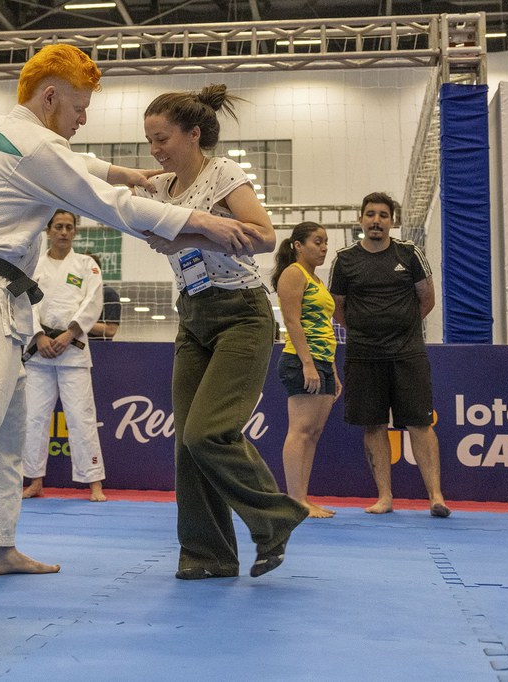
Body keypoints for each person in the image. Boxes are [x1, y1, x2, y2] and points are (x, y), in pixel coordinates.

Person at [0, 45, 265, 600]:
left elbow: (73, 167)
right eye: (80, 107)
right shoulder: (36, 145)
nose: (84, 119)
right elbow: (113, 205)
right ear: (52, 96)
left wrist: (120, 170)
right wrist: (201, 220)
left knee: (7, 428)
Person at [137, 84, 308, 580]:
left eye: (162, 138)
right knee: (185, 447)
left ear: (193, 134)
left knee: (208, 432)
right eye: (149, 140)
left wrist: (191, 232)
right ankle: (207, 556)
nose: (155, 149)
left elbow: (265, 236)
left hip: (242, 315)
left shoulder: (224, 173)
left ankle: (276, 518)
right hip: (192, 319)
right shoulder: (157, 187)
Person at [328, 192, 450, 517]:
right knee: (374, 426)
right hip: (363, 357)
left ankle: (436, 496)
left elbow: (427, 299)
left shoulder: (410, 254)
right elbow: (336, 308)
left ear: (392, 222)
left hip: (407, 355)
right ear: (361, 220)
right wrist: (366, 331)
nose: (376, 221)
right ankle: (385, 497)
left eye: (383, 215)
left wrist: (401, 329)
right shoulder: (344, 259)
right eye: (370, 214)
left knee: (420, 425)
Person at [21, 209, 107, 502]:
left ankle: (94, 481)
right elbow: (25, 303)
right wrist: (38, 335)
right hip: (39, 351)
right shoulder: (33, 266)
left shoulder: (87, 265)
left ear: (75, 232)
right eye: (58, 226)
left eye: (69, 227)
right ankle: (34, 480)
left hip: (73, 350)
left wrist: (70, 333)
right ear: (47, 230)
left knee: (81, 417)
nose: (64, 231)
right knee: (33, 418)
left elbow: (93, 303)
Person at [273, 221, 341, 518]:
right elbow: (292, 322)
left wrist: (332, 370)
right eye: (317, 241)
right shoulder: (293, 274)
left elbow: (325, 327)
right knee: (300, 431)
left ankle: (303, 497)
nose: (324, 247)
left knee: (313, 433)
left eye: (326, 241)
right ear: (298, 246)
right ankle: (294, 500)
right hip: (301, 361)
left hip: (322, 362)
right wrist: (308, 364)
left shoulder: (317, 280)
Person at [87, 253, 121, 340]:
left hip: (99, 348)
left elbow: (110, 330)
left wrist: (79, 324)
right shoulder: (74, 293)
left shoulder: (108, 293)